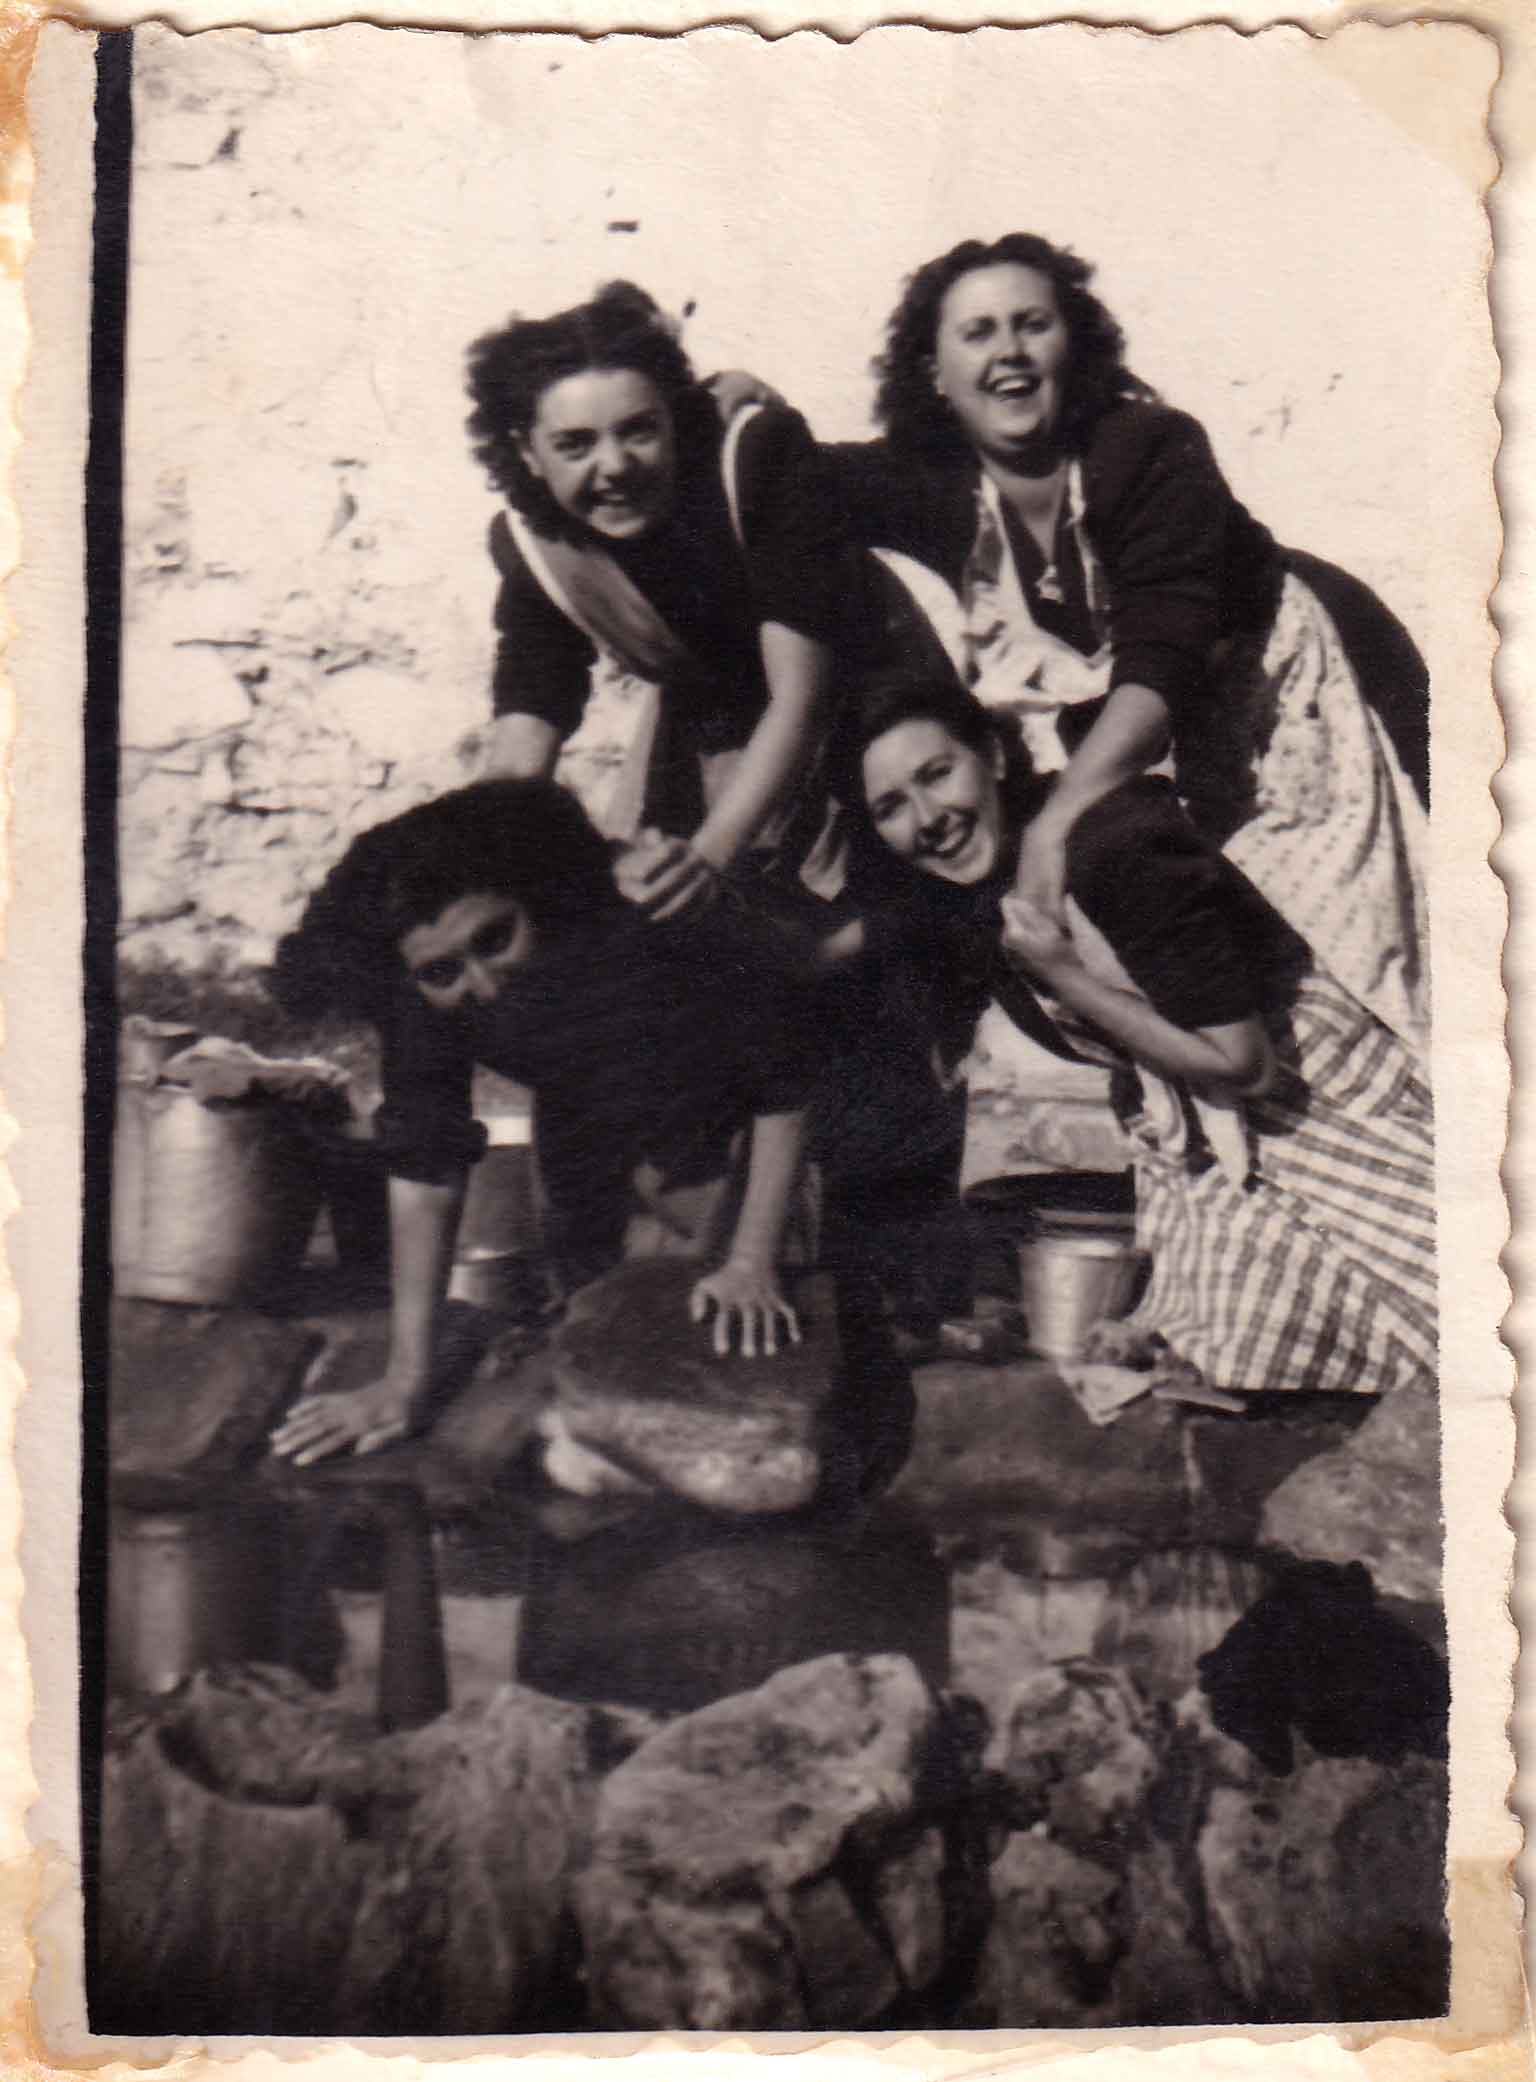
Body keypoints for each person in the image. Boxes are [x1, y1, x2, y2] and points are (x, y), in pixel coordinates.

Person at [818, 233, 1429, 1058]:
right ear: (935, 372)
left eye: (1032, 324)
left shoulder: (1149, 447)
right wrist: (744, 407)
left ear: (1074, 344)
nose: (1009, 352)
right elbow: (790, 474)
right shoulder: (934, 485)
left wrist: (1052, 829)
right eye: (978, 332)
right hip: (1170, 737)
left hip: (1301, 694)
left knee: (1378, 943)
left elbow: (1158, 670)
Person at [824, 674, 1436, 1400]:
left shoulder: (1112, 847)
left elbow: (1246, 1067)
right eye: (891, 808)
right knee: (1221, 1348)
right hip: (1217, 1136)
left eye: (936, 774)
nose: (928, 819)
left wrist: (1063, 973)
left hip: (1318, 1098)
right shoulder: (983, 894)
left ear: (992, 754)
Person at [267, 778, 815, 1467]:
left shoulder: (640, 920)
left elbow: (786, 1084)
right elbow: (426, 1168)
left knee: (747, 1313)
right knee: (585, 1314)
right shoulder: (421, 996)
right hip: (588, 1115)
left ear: (540, 898)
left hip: (757, 1114)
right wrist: (404, 1384)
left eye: (496, 939)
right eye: (443, 972)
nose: (485, 985)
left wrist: (750, 1261)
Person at [465, 280, 853, 922]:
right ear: (527, 451)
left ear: (675, 418)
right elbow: (527, 724)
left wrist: (707, 860)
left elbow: (802, 696)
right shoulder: (533, 544)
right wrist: (474, 863)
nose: (615, 466)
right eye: (575, 445)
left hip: (860, 710)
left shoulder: (756, 456)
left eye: (639, 431)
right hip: (713, 733)